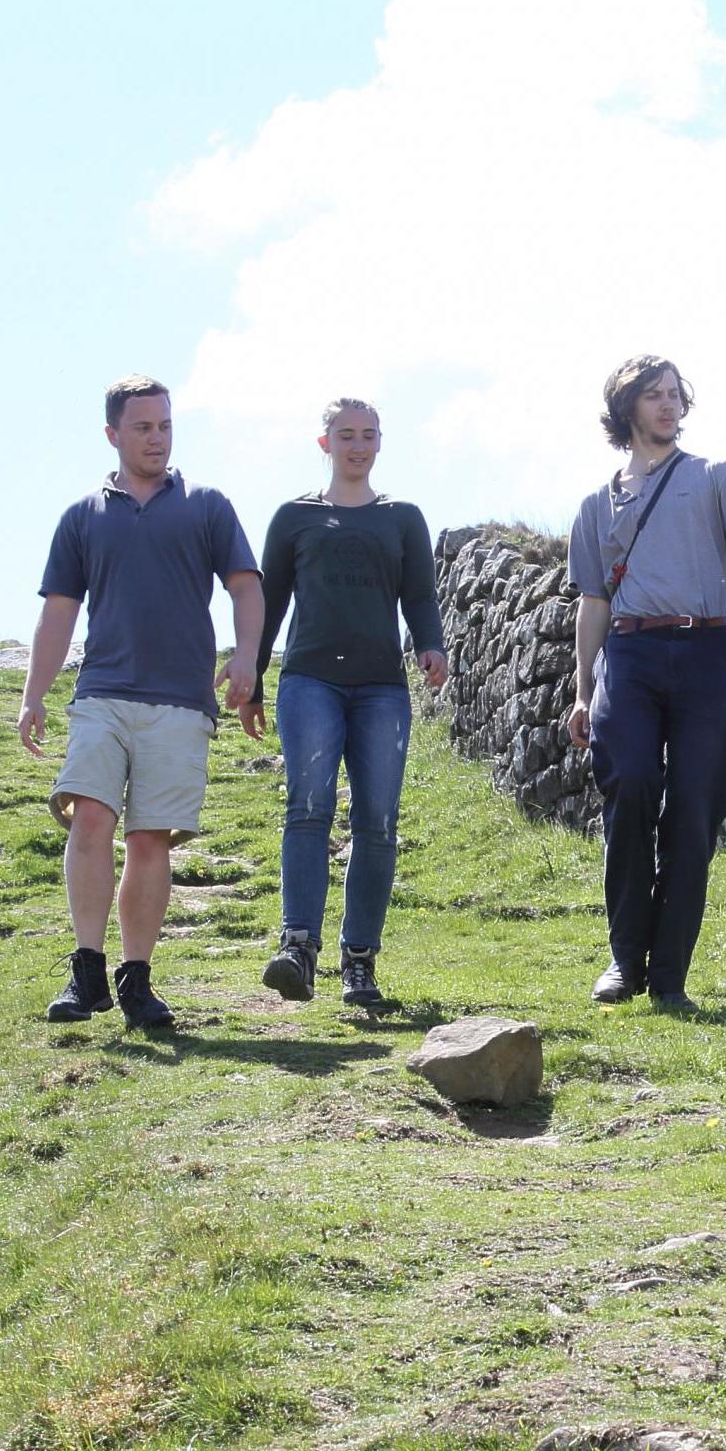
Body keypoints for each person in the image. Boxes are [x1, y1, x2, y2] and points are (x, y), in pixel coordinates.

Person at [18, 375, 263, 1028]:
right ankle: (86, 970)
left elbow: (245, 588)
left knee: (150, 840)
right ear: (113, 435)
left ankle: (136, 979)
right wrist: (33, 693)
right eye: (143, 427)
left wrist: (245, 657)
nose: (157, 438)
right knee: (90, 818)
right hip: (101, 694)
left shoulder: (208, 505)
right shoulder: (83, 516)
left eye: (165, 426)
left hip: (181, 702)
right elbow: (58, 615)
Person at [564, 355, 726, 1012]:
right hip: (628, 657)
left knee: (692, 814)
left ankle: (670, 979)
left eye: (674, 396)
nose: (668, 406)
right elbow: (594, 604)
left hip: (708, 649)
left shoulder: (718, 476)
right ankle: (625, 959)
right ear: (626, 408)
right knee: (629, 788)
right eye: (653, 396)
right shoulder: (595, 505)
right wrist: (581, 691)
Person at [250, 398, 448, 1007]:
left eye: (368, 436)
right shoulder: (294, 517)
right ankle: (297, 947)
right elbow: (270, 601)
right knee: (308, 807)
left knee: (378, 822)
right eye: (345, 436)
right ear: (324, 443)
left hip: (381, 688)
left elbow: (418, 593)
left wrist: (432, 645)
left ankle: (359, 961)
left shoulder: (402, 518)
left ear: (380, 444)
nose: (357, 446)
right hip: (310, 679)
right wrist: (253, 676)